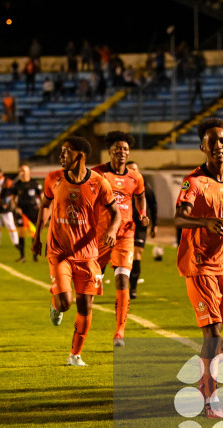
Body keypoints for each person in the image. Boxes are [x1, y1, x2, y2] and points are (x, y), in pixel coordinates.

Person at [175, 118, 223, 419]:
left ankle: (207, 370)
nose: (218, 145)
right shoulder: (194, 181)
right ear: (203, 146)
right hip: (201, 265)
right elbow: (179, 217)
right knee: (212, 334)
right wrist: (205, 222)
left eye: (222, 140)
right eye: (211, 141)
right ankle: (209, 397)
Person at [33, 137, 121, 366]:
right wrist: (36, 236)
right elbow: (45, 206)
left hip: (88, 254)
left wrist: (112, 230)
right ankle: (55, 305)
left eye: (66, 152)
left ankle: (75, 355)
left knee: (86, 306)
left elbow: (116, 213)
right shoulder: (54, 178)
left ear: (80, 156)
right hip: (59, 251)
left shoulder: (99, 183)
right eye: (61, 152)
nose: (61, 156)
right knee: (65, 303)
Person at [91, 132, 149, 348]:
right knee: (90, 285)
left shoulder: (135, 176)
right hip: (100, 236)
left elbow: (140, 194)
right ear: (110, 151)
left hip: (126, 234)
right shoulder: (97, 173)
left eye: (125, 149)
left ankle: (119, 332)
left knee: (122, 278)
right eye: (117, 148)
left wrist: (141, 213)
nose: (122, 152)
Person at [127, 161, 157, 299]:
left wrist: (154, 224)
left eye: (135, 169)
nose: (133, 172)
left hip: (140, 224)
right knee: (125, 257)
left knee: (137, 253)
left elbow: (153, 204)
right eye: (130, 169)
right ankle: (123, 282)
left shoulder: (145, 186)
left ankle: (133, 287)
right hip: (124, 225)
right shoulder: (121, 185)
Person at [13, 163, 42, 262]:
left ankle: (35, 256)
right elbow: (12, 198)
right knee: (21, 233)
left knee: (33, 233)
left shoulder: (35, 184)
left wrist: (42, 207)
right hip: (22, 211)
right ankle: (22, 257)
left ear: (29, 172)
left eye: (24, 171)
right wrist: (16, 207)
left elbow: (41, 196)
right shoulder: (17, 185)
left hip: (33, 211)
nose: (22, 173)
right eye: (20, 171)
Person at [0, 168, 20, 251]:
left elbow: (10, 193)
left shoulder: (7, 181)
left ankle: (16, 242)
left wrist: (7, 203)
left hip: (5, 206)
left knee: (10, 224)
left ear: (2, 173)